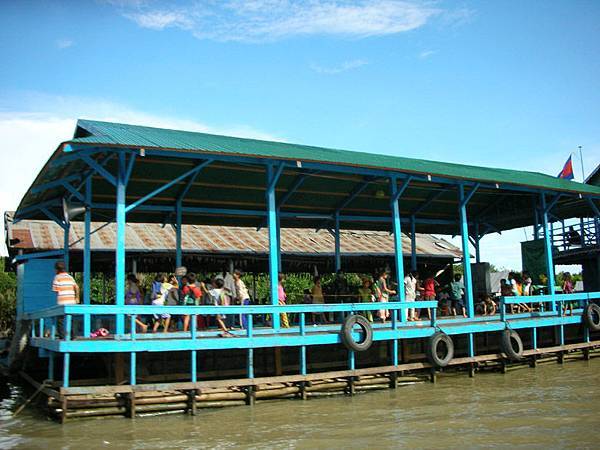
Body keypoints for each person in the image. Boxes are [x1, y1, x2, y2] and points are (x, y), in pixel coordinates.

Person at [52, 261, 79, 338]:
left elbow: (56, 290)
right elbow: (76, 287)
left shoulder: (57, 277)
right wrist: (77, 298)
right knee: (72, 319)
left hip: (62, 301)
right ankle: (73, 335)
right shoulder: (70, 277)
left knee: (60, 320)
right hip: (72, 301)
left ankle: (62, 336)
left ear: (57, 269)